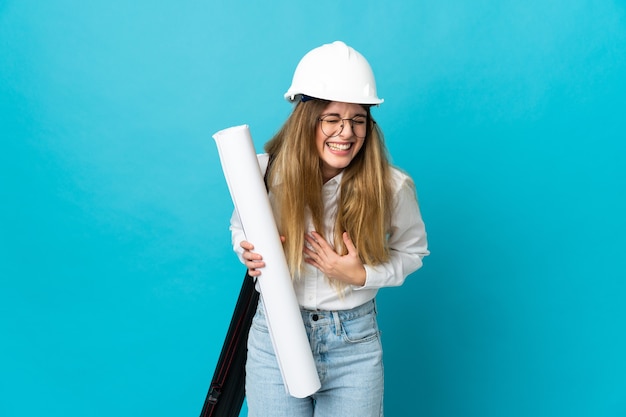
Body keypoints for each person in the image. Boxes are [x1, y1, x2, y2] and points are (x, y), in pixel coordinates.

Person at [229, 40, 429, 417]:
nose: (346, 132)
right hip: (275, 336)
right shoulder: (263, 172)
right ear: (308, 119)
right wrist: (247, 249)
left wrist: (361, 274)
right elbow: (240, 226)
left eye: (358, 120)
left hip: (353, 343)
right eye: (332, 119)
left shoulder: (391, 186)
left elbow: (413, 251)